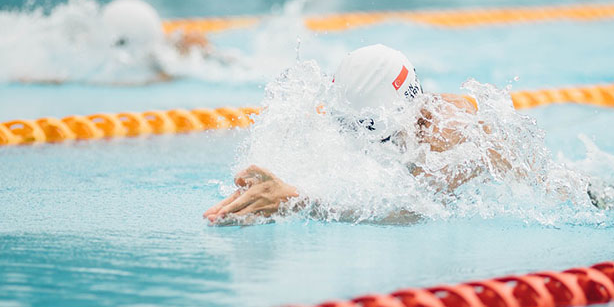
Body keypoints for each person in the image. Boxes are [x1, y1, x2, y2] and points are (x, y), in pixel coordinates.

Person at [204, 44, 523, 225]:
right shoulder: (396, 119)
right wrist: (274, 187)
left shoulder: (450, 132)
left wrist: (298, 200)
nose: (364, 142)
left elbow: (409, 212)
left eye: (375, 135)